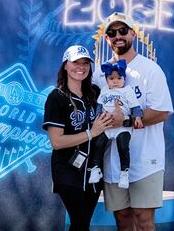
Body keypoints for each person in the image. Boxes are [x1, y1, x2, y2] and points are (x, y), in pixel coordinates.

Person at [92, 11, 173, 231]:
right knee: (123, 219)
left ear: (133, 34)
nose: (118, 35)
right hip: (113, 161)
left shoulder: (150, 70)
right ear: (106, 38)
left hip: (146, 160)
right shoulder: (99, 73)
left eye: (123, 30)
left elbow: (162, 111)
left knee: (144, 220)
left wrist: (125, 120)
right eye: (112, 32)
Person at [43, 45, 114, 231]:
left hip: (93, 172)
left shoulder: (96, 94)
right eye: (75, 62)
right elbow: (57, 142)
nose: (80, 67)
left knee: (81, 224)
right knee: (80, 221)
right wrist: (92, 132)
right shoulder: (56, 98)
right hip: (68, 170)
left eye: (85, 63)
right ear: (65, 65)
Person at [88, 59, 144, 189]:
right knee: (98, 144)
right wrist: (97, 118)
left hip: (122, 125)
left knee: (123, 146)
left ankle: (124, 173)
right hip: (106, 124)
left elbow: (135, 106)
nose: (115, 81)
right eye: (111, 78)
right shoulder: (104, 91)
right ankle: (96, 168)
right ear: (106, 80)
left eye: (119, 78)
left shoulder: (127, 91)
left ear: (124, 79)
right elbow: (99, 106)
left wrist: (138, 117)